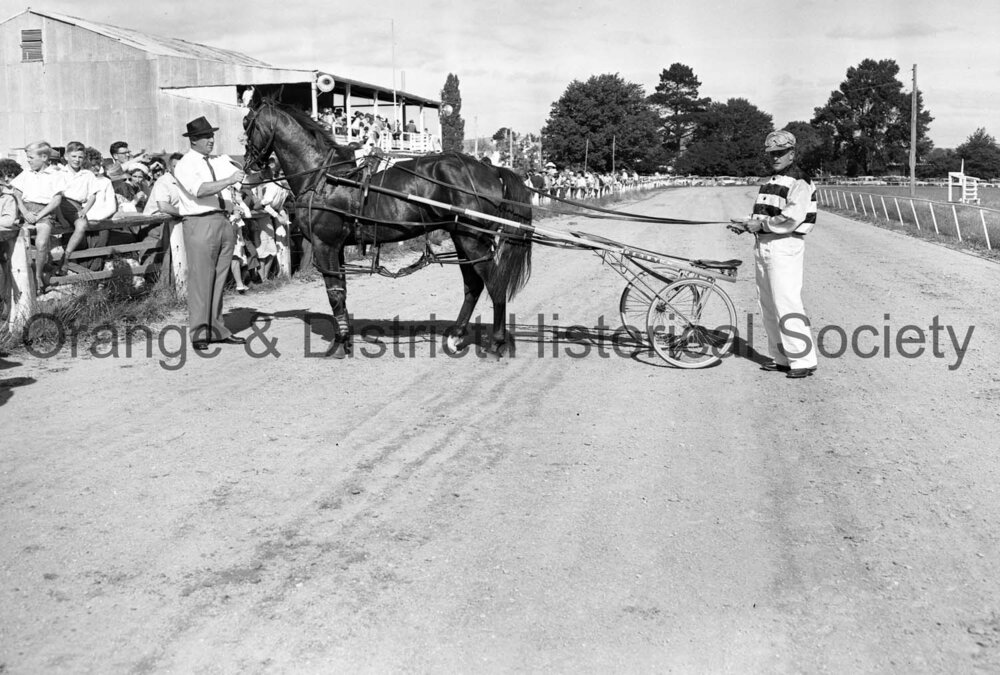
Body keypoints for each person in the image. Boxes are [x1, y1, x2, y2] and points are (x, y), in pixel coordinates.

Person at [729, 130, 818, 379]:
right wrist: (746, 223)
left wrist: (761, 225)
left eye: (780, 153)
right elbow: (766, 214)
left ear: (792, 153)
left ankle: (802, 360)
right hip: (765, 244)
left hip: (785, 245)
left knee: (786, 302)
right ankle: (781, 358)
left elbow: (790, 218)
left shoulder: (800, 181)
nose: (775, 157)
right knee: (767, 303)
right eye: (772, 154)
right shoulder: (770, 180)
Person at [172, 115, 247, 350]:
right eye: (205, 136)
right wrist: (229, 180)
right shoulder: (185, 163)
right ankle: (199, 333)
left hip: (224, 221)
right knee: (201, 280)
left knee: (219, 280)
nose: (210, 140)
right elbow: (200, 190)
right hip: (200, 222)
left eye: (211, 135)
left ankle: (217, 329)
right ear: (193, 140)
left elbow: (243, 178)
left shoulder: (218, 161)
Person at [9, 141, 76, 291]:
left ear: (44, 157)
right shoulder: (26, 173)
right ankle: (19, 275)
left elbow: (56, 201)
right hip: (26, 210)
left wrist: (39, 215)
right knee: (18, 239)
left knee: (41, 242)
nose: (28, 160)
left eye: (31, 157)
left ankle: (38, 275)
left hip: (45, 212)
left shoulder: (56, 175)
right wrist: (25, 212)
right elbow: (17, 194)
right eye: (28, 157)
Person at [55, 141, 100, 274]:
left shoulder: (87, 174)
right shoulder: (60, 172)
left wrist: (85, 210)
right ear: (66, 156)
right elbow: (56, 196)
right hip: (59, 205)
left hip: (76, 207)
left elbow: (93, 195)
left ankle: (66, 256)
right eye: (74, 156)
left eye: (80, 157)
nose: (77, 160)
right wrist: (61, 217)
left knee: (82, 225)